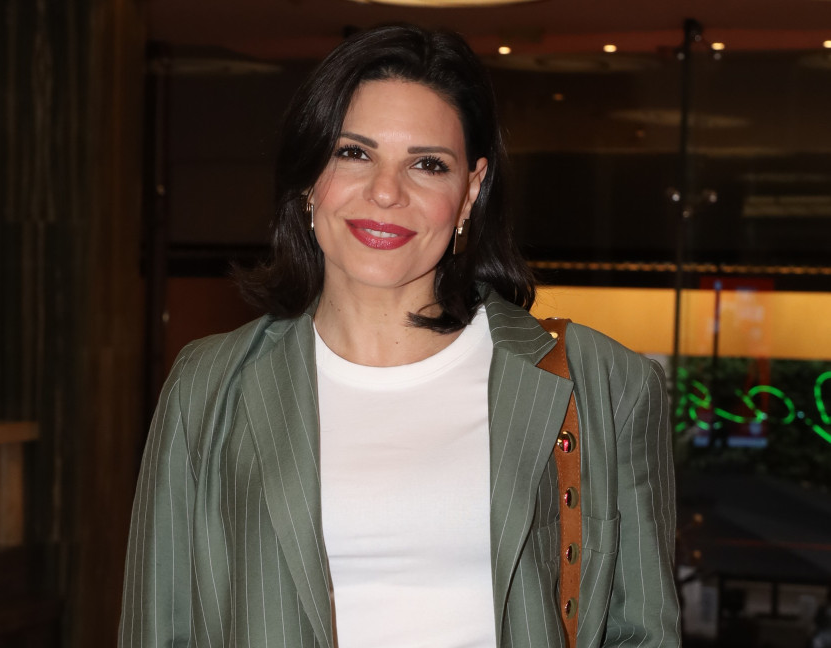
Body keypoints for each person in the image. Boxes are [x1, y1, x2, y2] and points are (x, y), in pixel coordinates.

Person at [119, 23, 680, 648]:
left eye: (428, 164)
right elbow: (158, 628)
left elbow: (644, 632)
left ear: (470, 192)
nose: (386, 192)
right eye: (353, 153)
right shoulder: (209, 383)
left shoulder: (603, 382)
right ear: (309, 179)